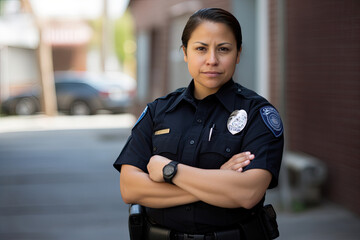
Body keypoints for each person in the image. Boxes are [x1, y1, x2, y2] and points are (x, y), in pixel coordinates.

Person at [114, 8, 284, 240]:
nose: (212, 60)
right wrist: (219, 178)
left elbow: (248, 192)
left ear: (238, 53)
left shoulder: (258, 114)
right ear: (185, 52)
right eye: (201, 48)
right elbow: (130, 188)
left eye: (223, 49)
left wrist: (169, 170)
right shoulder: (158, 111)